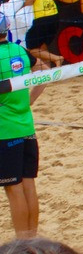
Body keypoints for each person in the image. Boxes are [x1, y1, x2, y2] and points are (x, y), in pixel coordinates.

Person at [0, 14, 45, 238]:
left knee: (13, 188)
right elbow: (44, 72)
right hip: (27, 127)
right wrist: (29, 101)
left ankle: (21, 241)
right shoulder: (19, 51)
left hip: (5, 132)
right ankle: (31, 238)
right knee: (28, 184)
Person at [16, 0, 62, 68]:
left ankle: (57, 58)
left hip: (41, 17)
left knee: (30, 49)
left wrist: (15, 7)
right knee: (41, 47)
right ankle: (49, 72)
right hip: (54, 16)